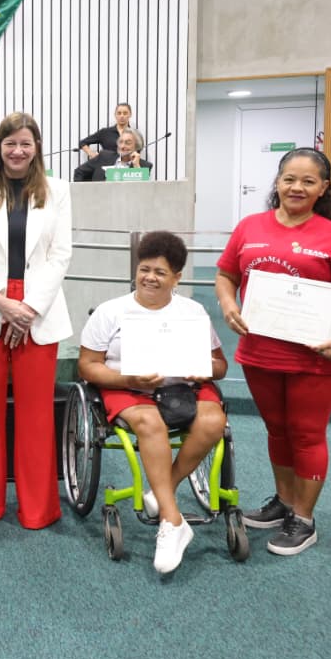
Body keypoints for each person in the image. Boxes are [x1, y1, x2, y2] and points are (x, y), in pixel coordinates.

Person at [215, 148, 331, 556]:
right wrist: (229, 305)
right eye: (289, 179)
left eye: (308, 181)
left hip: (316, 356)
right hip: (260, 352)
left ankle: (305, 517)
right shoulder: (250, 226)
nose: (297, 187)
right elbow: (226, 275)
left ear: (323, 189)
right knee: (276, 430)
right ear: (277, 183)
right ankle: (283, 503)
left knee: (307, 433)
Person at [77, 231, 229, 574]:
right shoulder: (110, 312)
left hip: (183, 387)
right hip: (128, 386)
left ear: (177, 277)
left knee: (213, 422)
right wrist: (128, 379)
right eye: (144, 269)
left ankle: (163, 491)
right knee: (149, 423)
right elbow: (87, 366)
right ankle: (173, 521)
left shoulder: (193, 311)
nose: (150, 277)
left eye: (160, 272)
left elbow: (220, 366)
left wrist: (200, 370)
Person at [0, 113, 73, 529]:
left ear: (37, 146)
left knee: (36, 416)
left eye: (25, 143)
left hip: (38, 309)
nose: (18, 151)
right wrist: (2, 302)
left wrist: (29, 308)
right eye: (10, 144)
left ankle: (38, 508)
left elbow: (60, 255)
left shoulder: (57, 190)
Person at [75, 129, 152, 182]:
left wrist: (136, 166)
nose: (122, 146)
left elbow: (143, 192)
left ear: (137, 146)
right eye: (120, 142)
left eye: (127, 143)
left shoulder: (144, 166)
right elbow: (79, 172)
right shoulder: (104, 156)